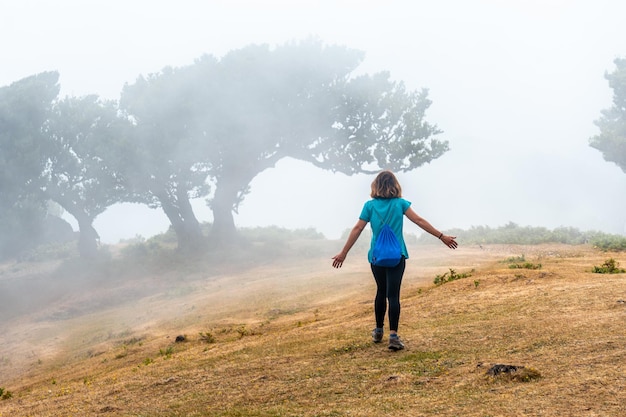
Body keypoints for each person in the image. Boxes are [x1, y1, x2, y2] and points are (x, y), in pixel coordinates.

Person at [332, 170, 458, 351]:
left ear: (375, 186)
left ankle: (378, 331)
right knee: (393, 295)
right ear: (395, 185)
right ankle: (393, 337)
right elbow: (419, 221)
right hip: (397, 256)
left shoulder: (369, 206)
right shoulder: (400, 204)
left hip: (376, 257)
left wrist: (344, 253)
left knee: (380, 292)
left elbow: (357, 228)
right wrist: (441, 236)